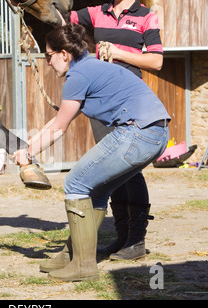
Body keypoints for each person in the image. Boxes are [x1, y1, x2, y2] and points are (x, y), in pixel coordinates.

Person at [13, 23, 170, 282]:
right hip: (156, 133)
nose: (47, 63)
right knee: (96, 189)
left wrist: (27, 154)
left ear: (64, 54)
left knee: (75, 182)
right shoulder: (90, 67)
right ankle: (72, 254)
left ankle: (84, 266)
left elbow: (59, 129)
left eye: (48, 56)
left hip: (138, 132)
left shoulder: (79, 75)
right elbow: (58, 121)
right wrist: (28, 148)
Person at [67, 0, 164, 261]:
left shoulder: (146, 16)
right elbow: (62, 18)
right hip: (102, 98)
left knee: (130, 169)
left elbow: (156, 61)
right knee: (112, 170)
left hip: (130, 99)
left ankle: (136, 240)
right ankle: (121, 237)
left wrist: (118, 53)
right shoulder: (98, 11)